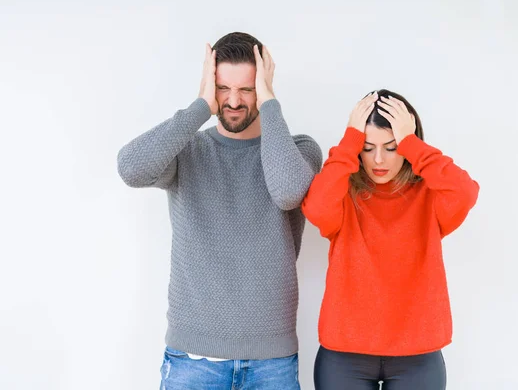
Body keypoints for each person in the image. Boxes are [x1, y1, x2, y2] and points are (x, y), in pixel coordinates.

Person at [117, 32, 322, 389]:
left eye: (247, 89)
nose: (233, 101)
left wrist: (270, 102)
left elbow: (288, 192)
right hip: (192, 361)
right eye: (223, 88)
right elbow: (130, 169)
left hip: (272, 363)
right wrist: (200, 106)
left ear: (264, 86)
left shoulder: (300, 150)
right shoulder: (187, 150)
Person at [301, 89, 479, 390]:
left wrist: (414, 145)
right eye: (367, 147)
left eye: (393, 147)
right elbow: (316, 208)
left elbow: (465, 193)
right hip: (345, 356)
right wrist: (349, 141)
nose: (379, 159)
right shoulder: (343, 194)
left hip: (418, 356)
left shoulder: (431, 196)